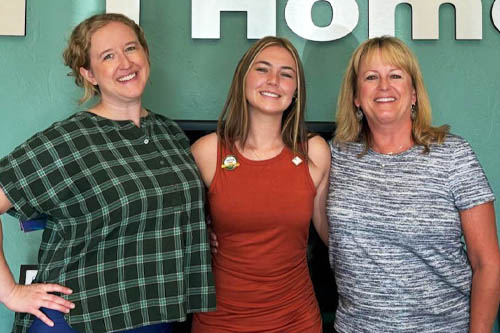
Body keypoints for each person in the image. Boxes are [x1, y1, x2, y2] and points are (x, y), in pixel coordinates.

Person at [0, 13, 215, 332]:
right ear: (89, 73)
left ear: (145, 55)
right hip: (80, 318)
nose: (125, 63)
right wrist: (10, 292)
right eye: (108, 56)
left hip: (155, 317)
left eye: (131, 48)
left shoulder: (169, 133)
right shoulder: (70, 139)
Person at [327, 36, 500, 332]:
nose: (384, 86)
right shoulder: (335, 156)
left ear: (414, 93)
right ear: (356, 96)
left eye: (395, 75)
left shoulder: (453, 156)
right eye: (371, 77)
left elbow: (487, 264)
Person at [190, 36, 330, 332]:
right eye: (263, 69)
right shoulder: (207, 152)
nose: (274, 80)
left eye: (286, 74)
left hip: (296, 321)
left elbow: (335, 234)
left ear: (295, 91)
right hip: (221, 322)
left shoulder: (314, 153)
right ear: (243, 78)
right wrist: (200, 231)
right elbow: (165, 228)